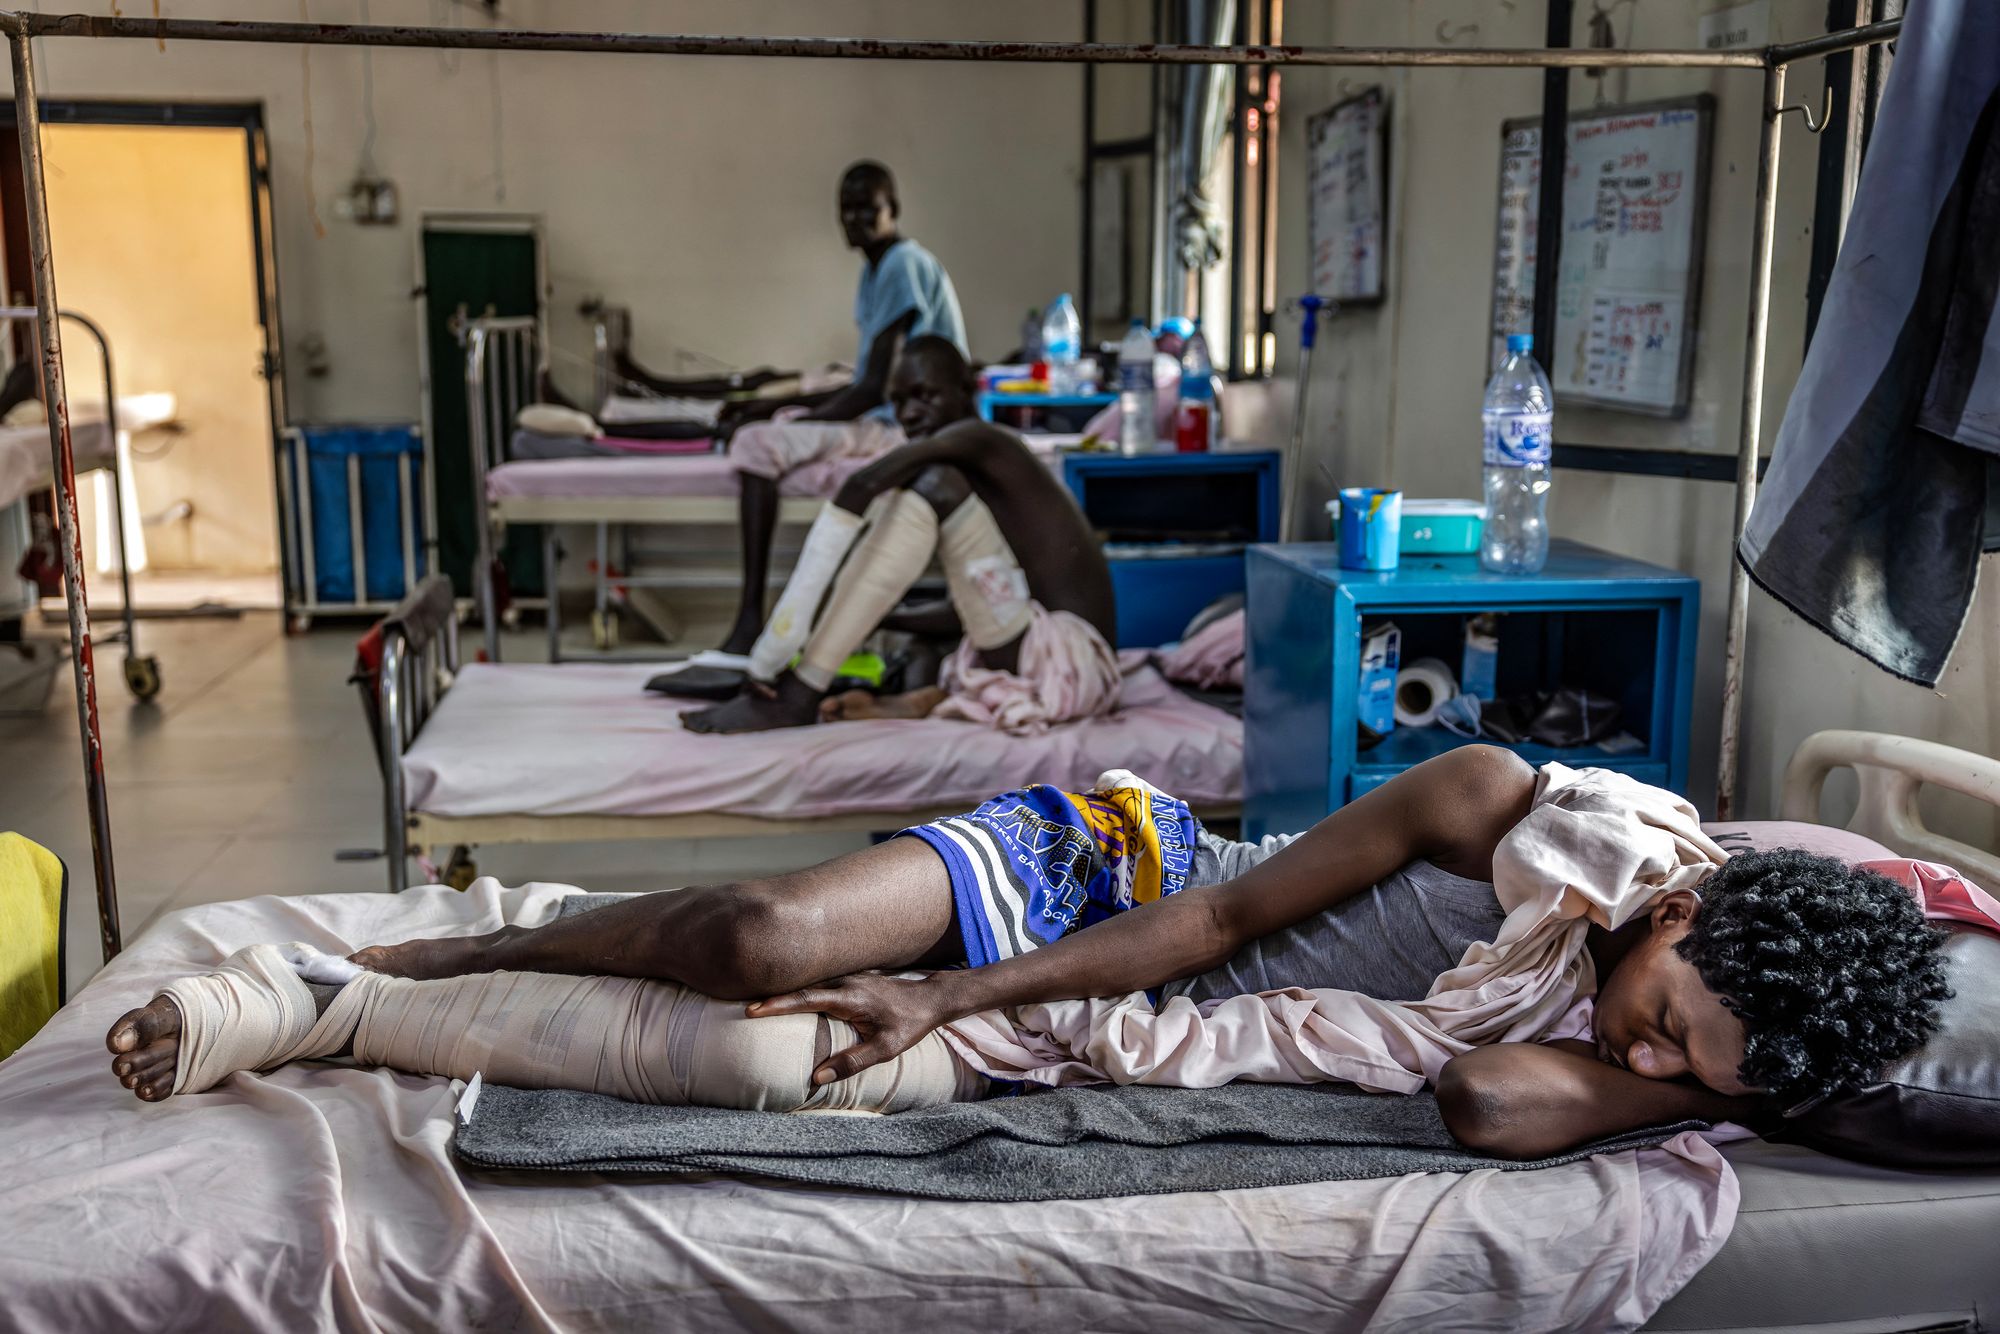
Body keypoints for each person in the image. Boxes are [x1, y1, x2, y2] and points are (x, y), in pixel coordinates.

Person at [107, 749, 1953, 1160]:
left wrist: (1696, 1086)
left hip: (1128, 1002)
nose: (1654, 1061)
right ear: (1677, 909)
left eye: (1695, 1076)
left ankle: (342, 1011)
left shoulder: (1635, 1049)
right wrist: (947, 985)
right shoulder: (1500, 808)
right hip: (1115, 877)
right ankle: (465, 936)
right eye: (1668, 1021)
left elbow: (1487, 1098)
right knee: (756, 938)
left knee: (760, 1051)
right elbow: (1216, 919)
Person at [676, 336, 1118, 735]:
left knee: (930, 485)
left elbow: (862, 486)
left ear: (965, 390)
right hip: (1047, 652)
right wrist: (881, 616)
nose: (908, 414)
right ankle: (900, 698)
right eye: (899, 401)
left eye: (925, 395)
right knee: (918, 647)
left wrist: (783, 638)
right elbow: (980, 603)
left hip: (1069, 665)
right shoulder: (975, 471)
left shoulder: (981, 440)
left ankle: (801, 692)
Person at [712, 161, 967, 657]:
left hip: (905, 425)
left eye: (867, 209)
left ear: (893, 209)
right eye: (846, 210)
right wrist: (780, 407)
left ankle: (748, 618)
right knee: (773, 418)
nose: (854, 220)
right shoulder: (877, 269)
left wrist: (794, 417)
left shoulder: (901, 265)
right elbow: (864, 380)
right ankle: (753, 621)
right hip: (884, 414)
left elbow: (873, 389)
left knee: (757, 443)